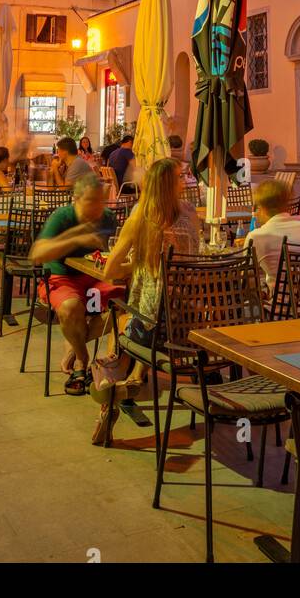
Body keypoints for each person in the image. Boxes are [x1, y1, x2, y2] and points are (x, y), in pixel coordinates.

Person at [96, 158, 199, 440]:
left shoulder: (142, 215)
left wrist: (139, 264)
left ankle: (111, 391)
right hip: (191, 328)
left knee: (119, 317)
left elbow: (109, 271)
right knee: (147, 312)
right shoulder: (192, 214)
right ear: (172, 184)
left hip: (152, 332)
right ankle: (137, 375)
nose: (185, 181)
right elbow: (190, 260)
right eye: (181, 177)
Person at [29, 171, 118, 396]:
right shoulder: (63, 217)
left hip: (95, 282)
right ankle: (82, 360)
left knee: (126, 304)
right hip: (62, 278)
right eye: (92, 201)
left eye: (101, 200)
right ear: (76, 199)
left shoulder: (108, 218)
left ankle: (75, 346)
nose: (99, 206)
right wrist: (76, 239)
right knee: (71, 308)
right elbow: (37, 254)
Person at [243, 178, 300, 294]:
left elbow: (246, 281)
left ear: (263, 208)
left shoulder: (257, 236)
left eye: (257, 207)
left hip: (283, 308)